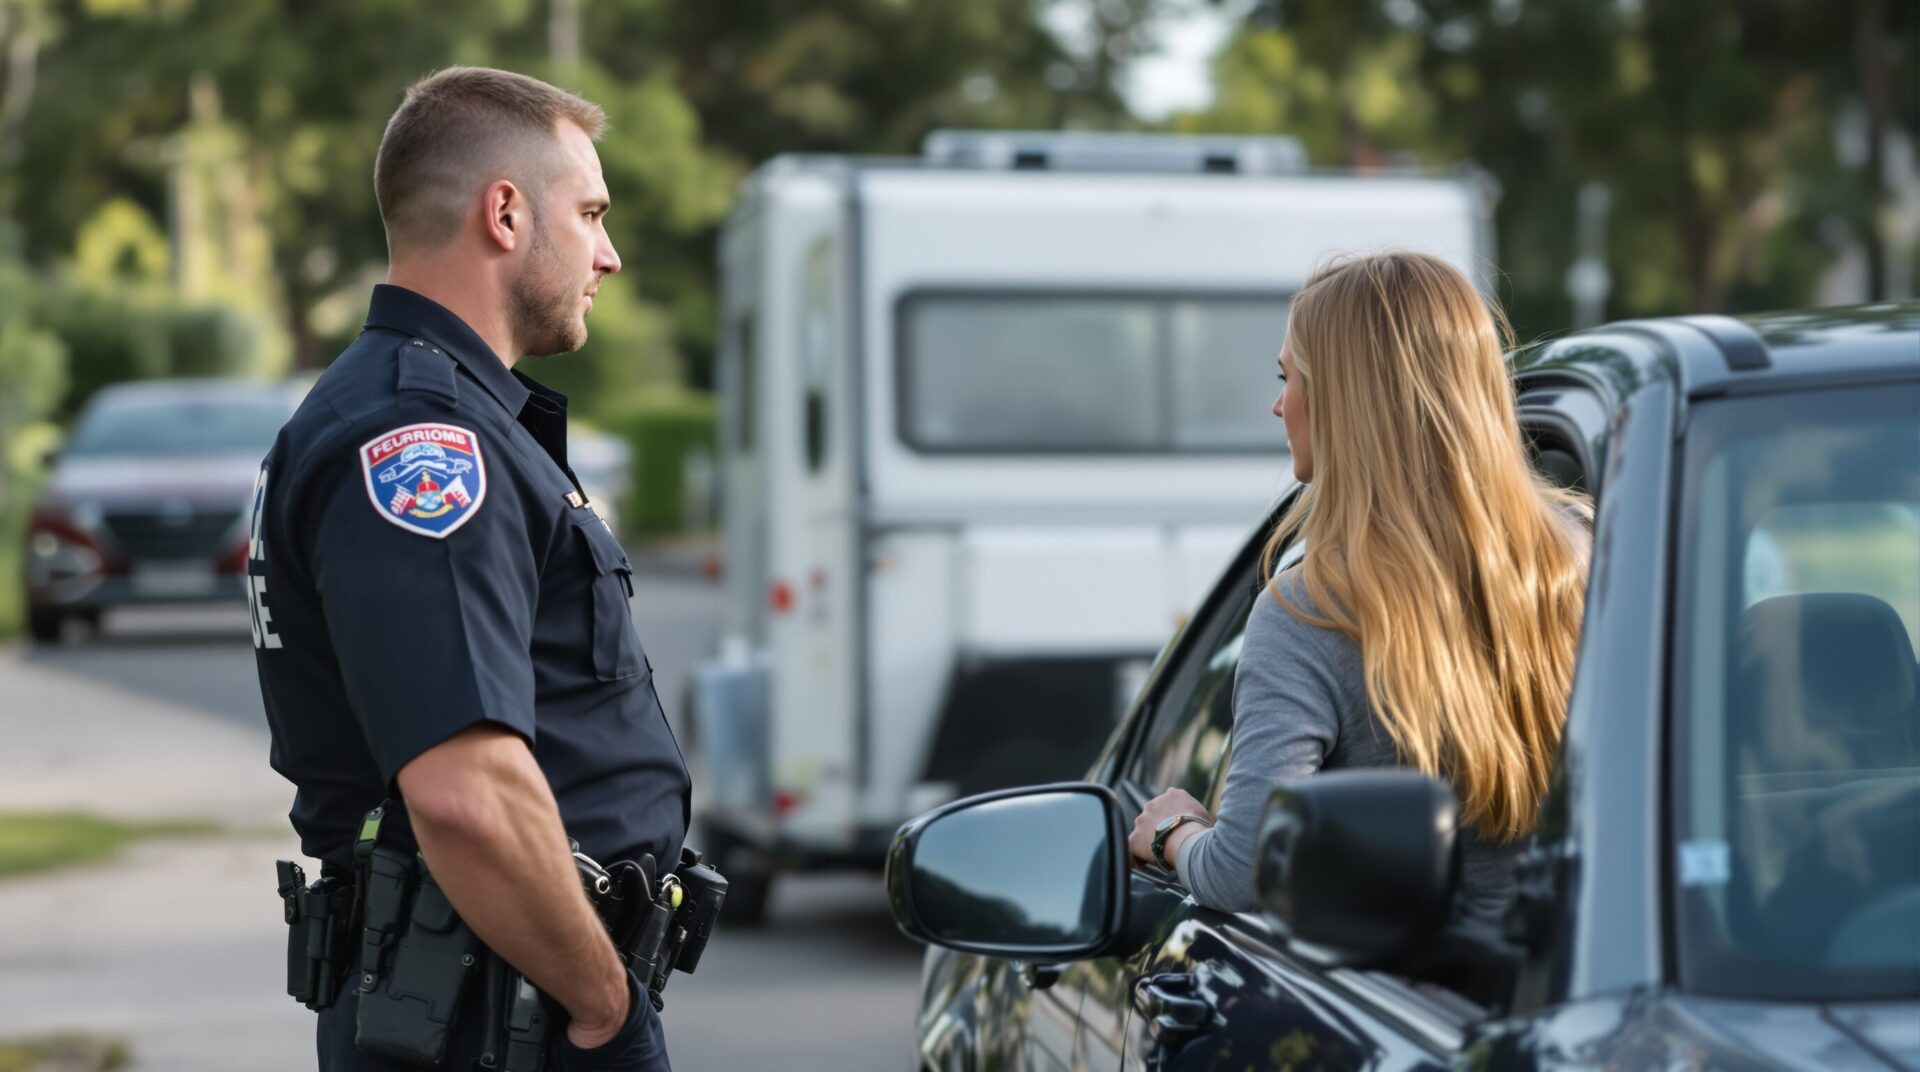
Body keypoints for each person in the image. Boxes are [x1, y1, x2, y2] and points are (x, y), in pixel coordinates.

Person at [248, 67, 688, 1070]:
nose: (609, 254)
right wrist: (605, 1007)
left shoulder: (440, 415)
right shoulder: (421, 439)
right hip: (499, 1016)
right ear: (504, 212)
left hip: (495, 1002)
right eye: (590, 213)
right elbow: (465, 794)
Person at [1127, 251, 1592, 922]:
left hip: (1408, 1003)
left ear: (1347, 403)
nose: (1278, 404)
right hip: (1580, 977)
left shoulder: (1306, 613)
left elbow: (1243, 873)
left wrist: (1174, 834)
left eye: (1290, 379)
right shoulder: (1582, 550)